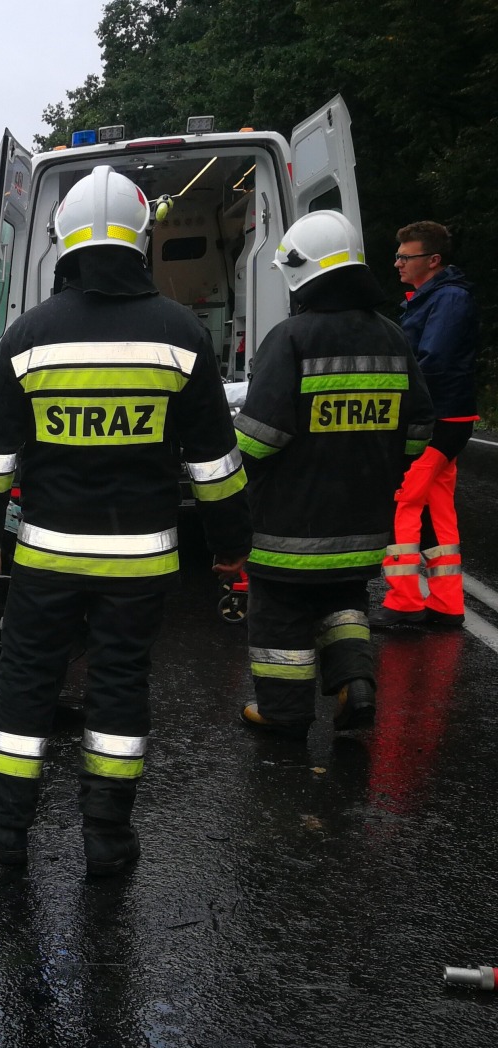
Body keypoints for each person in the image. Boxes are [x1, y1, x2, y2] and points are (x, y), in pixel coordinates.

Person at [0, 165, 251, 877]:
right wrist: (229, 547)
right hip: (140, 563)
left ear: (64, 239)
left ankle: (1, 830)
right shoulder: (181, 334)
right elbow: (214, 463)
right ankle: (109, 840)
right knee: (120, 686)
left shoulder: (28, 336)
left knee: (26, 685)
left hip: (47, 559)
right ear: (141, 239)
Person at [232, 210, 434, 737]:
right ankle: (355, 684)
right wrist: (378, 462)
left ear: (301, 272)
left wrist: (227, 478)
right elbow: (419, 429)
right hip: (362, 522)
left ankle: (284, 712)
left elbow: (259, 438)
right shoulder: (392, 337)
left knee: (279, 612)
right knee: (343, 601)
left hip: (289, 526)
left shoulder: (291, 338)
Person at [374, 220, 482, 630]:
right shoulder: (433, 298)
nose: (397, 263)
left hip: (437, 419)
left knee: (402, 500)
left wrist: (396, 402)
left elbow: (430, 362)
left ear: (433, 260)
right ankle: (446, 603)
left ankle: (403, 603)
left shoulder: (447, 299)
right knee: (437, 510)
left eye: (406, 256)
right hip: (449, 418)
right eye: (398, 255)